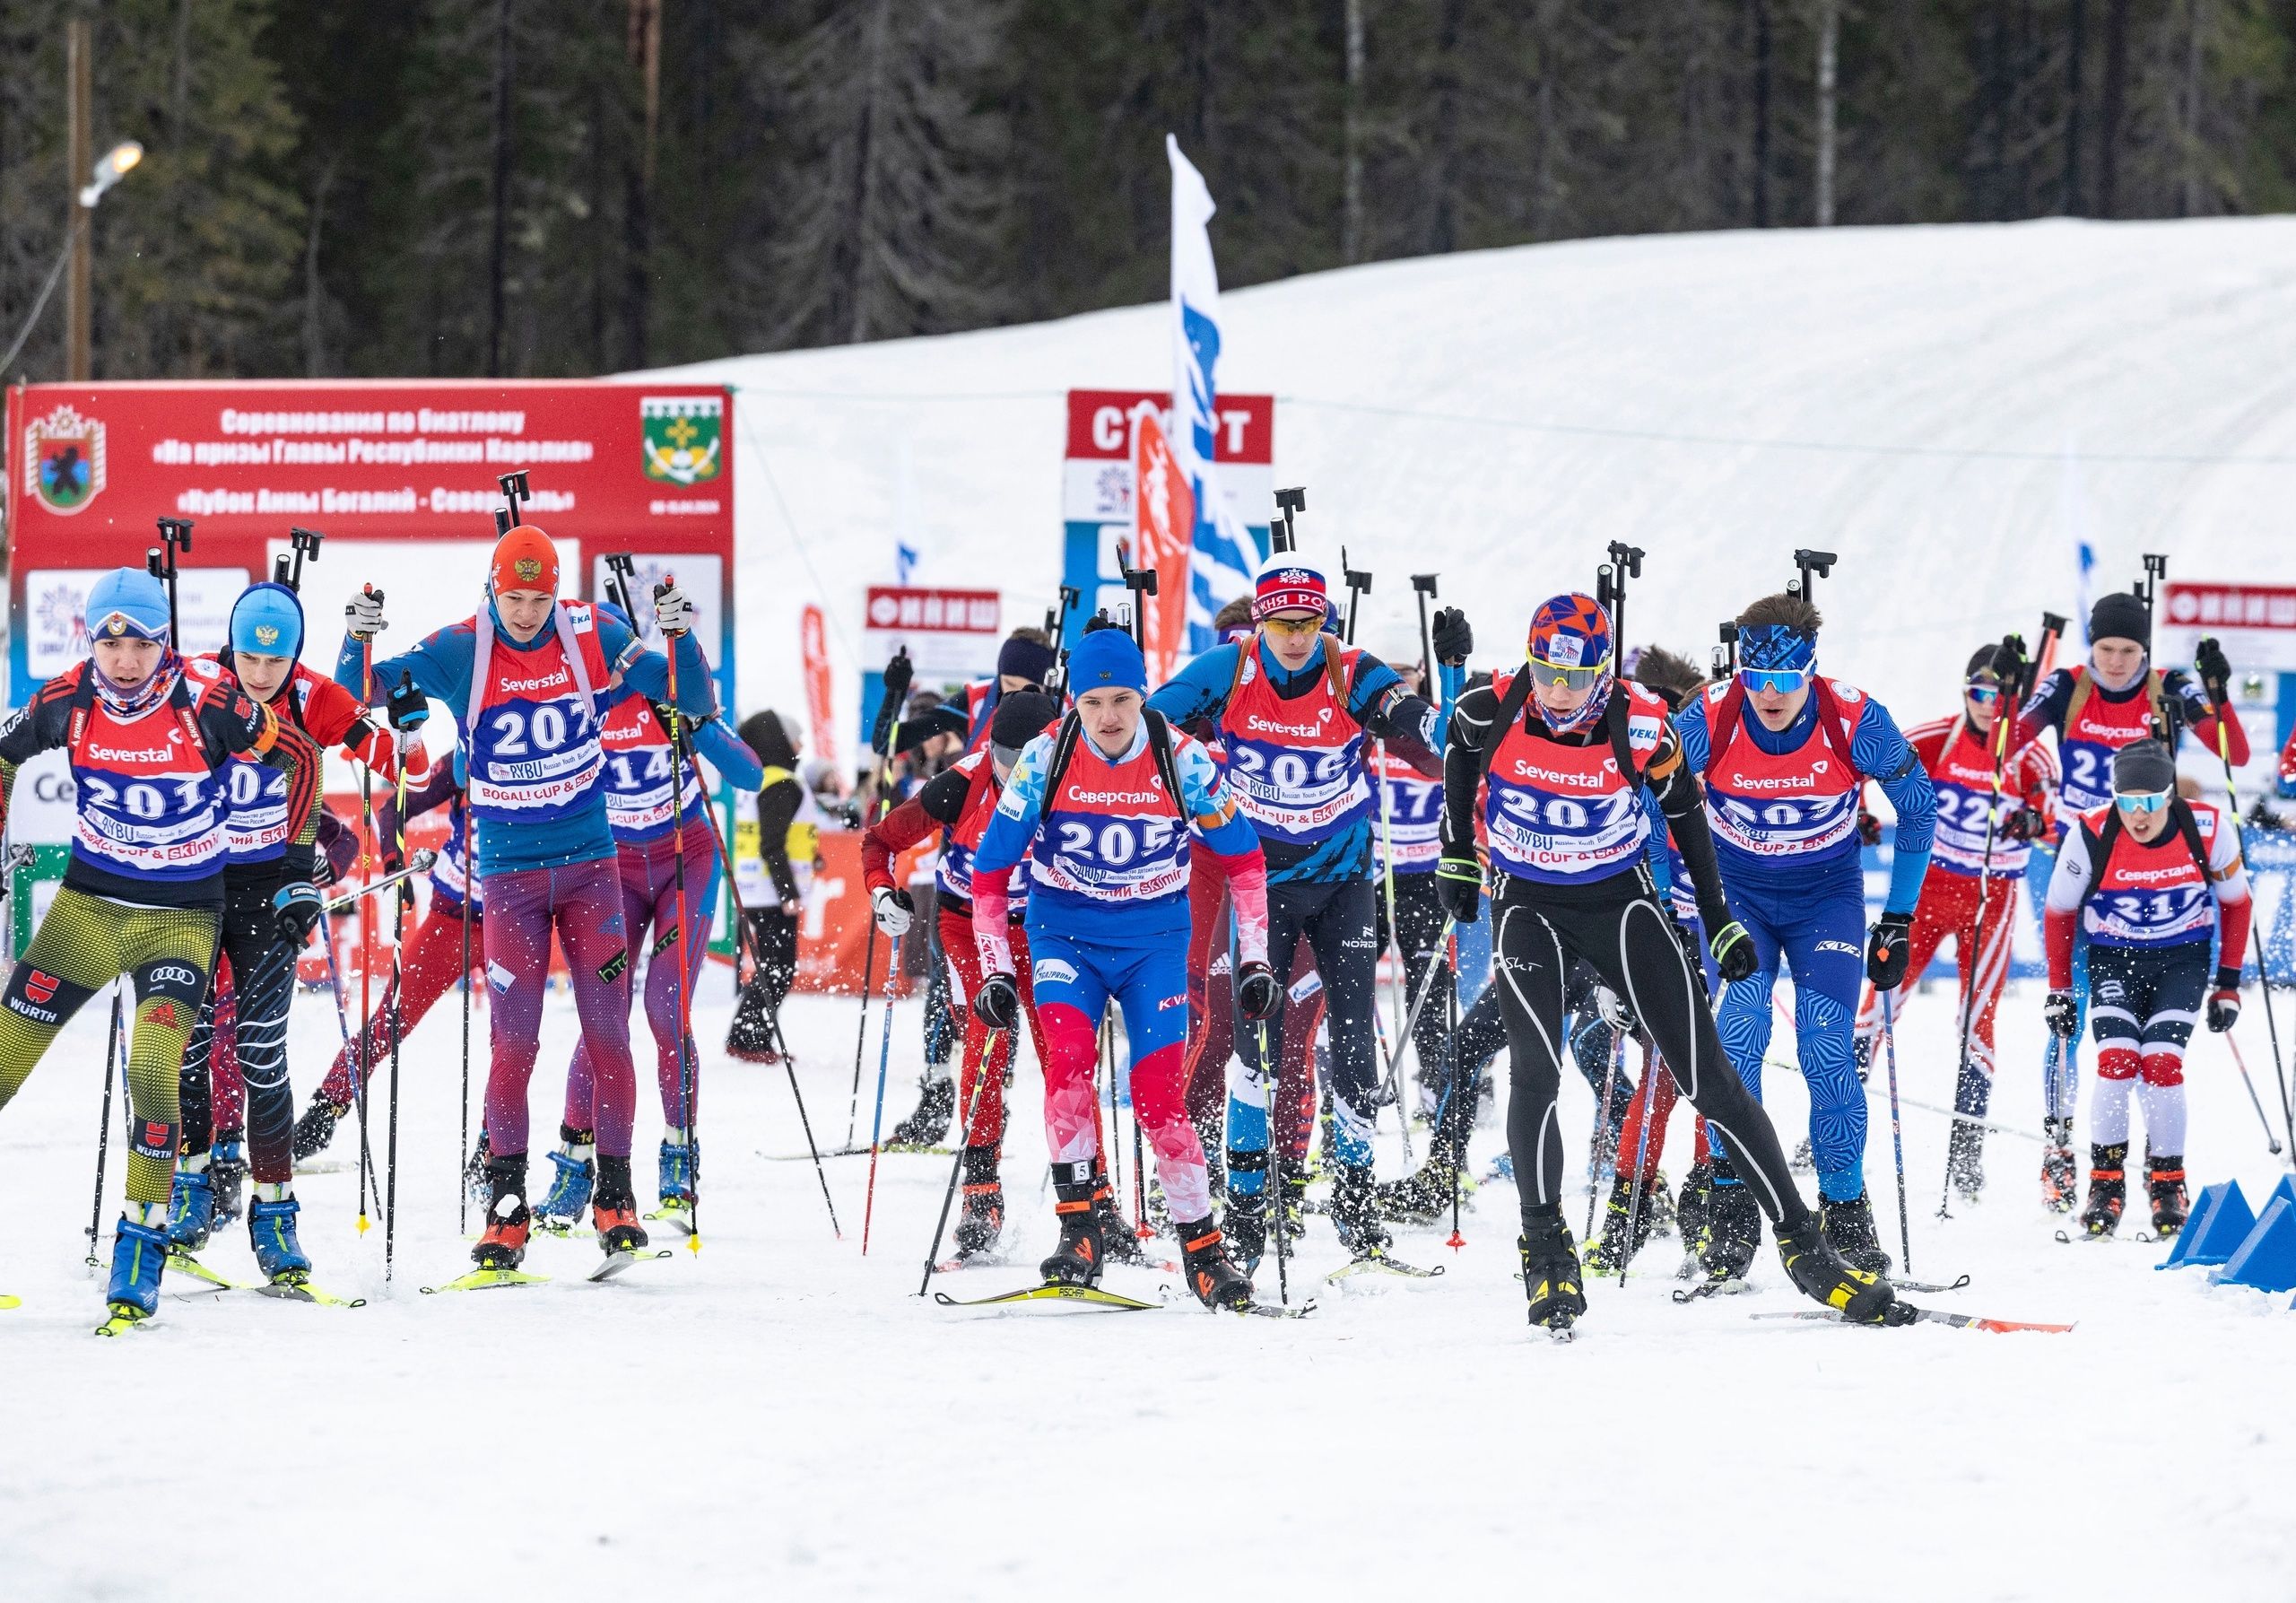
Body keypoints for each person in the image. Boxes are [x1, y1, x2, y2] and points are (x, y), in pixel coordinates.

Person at [1440, 592, 1901, 1332]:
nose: (1560, 691)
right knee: (1538, 1069)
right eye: (1546, 672)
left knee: (1710, 1075)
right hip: (1527, 907)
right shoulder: (1486, 707)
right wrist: (1457, 853)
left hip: (1620, 905)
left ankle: (1805, 1245)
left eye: (1577, 674)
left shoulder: (1643, 722)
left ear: (1602, 671)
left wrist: (1714, 921)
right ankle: (1546, 1245)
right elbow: (1457, 756)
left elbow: (1687, 813)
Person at [335, 524, 714, 1271]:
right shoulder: (464, 647)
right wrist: (357, 638)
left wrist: (682, 638)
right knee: (517, 1041)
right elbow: (358, 696)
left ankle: (616, 1197)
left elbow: (688, 697)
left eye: (540, 597)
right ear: (492, 588)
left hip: (589, 867)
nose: (529, 613)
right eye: (515, 597)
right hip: (507, 880)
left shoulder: (589, 631)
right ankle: (507, 1208)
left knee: (609, 1035)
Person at [0, 569, 308, 1327]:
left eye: (140, 642)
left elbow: (296, 756)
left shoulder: (209, 699)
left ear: (162, 642)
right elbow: (3, 757)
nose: (125, 659)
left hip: (180, 919)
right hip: (89, 908)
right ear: (92, 642)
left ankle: (140, 1243)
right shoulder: (65, 698)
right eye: (110, 641)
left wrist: (298, 863)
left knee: (151, 1064)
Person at [1145, 553, 1468, 1265]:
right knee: (1250, 1042)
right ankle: (1250, 1212)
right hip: (1260, 884)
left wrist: (1453, 707)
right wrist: (1183, 773)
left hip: (1343, 883)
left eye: (1310, 621)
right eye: (1283, 622)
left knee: (1352, 1043)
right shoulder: (1227, 671)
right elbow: (1149, 725)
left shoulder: (1349, 670)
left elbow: (1415, 723)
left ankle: (1355, 1210)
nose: (1297, 635)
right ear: (1259, 620)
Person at [967, 626, 1274, 1309]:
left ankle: (1202, 1249)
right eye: (1094, 700)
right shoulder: (1046, 756)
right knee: (1068, 1060)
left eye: (1124, 699)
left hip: (1154, 943)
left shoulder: (1182, 760)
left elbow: (1247, 861)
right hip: (1065, 936)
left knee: (1159, 1091)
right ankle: (1080, 1228)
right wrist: (995, 969)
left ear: (1143, 694)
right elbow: (989, 874)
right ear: (1073, 699)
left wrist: (1254, 958)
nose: (1109, 716)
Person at [1672, 591, 1935, 1276]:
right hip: (1739, 899)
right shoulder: (1711, 714)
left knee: (1825, 1046)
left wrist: (1899, 918)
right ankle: (1730, 1203)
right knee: (1740, 1034)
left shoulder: (1852, 716)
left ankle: (1845, 1211)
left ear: (1810, 671)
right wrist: (1658, 899)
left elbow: (1919, 804)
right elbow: (1645, 793)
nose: (1770, 694)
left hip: (1827, 901)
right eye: (1758, 679)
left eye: (1787, 680)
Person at [163, 579, 411, 1287]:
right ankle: (193, 1185)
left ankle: (275, 1218)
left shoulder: (315, 697)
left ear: (295, 656)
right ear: (232, 647)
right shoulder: (200, 686)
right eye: (250, 657)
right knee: (186, 1039)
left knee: (261, 1051)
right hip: (194, 884)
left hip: (269, 890)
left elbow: (397, 761)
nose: (261, 674)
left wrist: (407, 729)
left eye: (276, 662)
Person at [2005, 593, 2248, 1207]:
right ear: (2092, 646)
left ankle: (2156, 1160)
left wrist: (2216, 697)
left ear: (2146, 650)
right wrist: (2014, 694)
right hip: (2073, 856)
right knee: (2069, 1007)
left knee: (2146, 1030)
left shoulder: (2170, 686)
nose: (2116, 662)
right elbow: (2003, 746)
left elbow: (2234, 754)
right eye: (2106, 649)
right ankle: (2060, 1149)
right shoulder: (2069, 687)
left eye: (2129, 651)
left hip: (2145, 859)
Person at [536, 616, 762, 1233]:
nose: (603, 665)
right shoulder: (577, 704)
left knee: (665, 1008)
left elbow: (749, 773)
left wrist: (693, 726)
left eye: (613, 656)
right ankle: (574, 1162)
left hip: (681, 865)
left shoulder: (668, 696)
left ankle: (677, 1151)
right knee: (600, 1016)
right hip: (613, 869)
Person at [1850, 644, 2057, 1203]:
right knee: (1881, 1002)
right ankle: (1833, 1122)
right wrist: (1861, 814)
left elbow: (2060, 825)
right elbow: (1860, 764)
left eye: (2000, 696)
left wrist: (2033, 820)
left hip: (1991, 900)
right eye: (1978, 693)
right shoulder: (1936, 737)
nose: (1988, 706)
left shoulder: (2029, 756)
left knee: (1977, 1020)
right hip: (1925, 890)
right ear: (1965, 692)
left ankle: (1965, 1152)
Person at [863, 691, 1058, 1262]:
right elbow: (879, 840)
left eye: (1027, 763)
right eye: (1001, 757)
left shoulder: (1077, 773)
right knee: (987, 1037)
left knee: (1062, 1052)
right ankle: (980, 1191)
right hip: (969, 922)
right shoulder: (960, 784)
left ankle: (1091, 1198)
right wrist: (881, 892)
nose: (1012, 773)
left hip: (1044, 923)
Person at [2043, 740, 2248, 1238]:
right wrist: (2060, 990)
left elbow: (2237, 903)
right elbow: (2058, 913)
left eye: (2151, 803)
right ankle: (2106, 1184)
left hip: (2182, 960)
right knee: (2115, 1062)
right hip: (2115, 958)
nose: (2138, 815)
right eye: (2127, 803)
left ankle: (2167, 1182)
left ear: (2170, 795)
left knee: (2161, 1063)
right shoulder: (2090, 832)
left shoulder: (2209, 828)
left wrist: (2229, 984)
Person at [291, 756, 483, 1159]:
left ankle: (493, 1153)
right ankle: (325, 1110)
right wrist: (396, 871)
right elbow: (392, 808)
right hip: (454, 916)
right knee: (389, 1022)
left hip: (519, 917)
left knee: (513, 1041)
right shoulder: (468, 752)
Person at [725, 710, 811, 1064]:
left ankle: (753, 1037)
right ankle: (746, 1038)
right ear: (781, 741)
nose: (801, 745)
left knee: (772, 967)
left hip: (753, 888)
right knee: (778, 969)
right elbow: (772, 844)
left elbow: (775, 838)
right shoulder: (781, 784)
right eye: (796, 738)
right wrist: (788, 893)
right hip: (771, 894)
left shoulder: (756, 780)